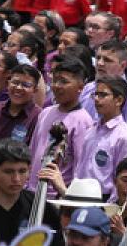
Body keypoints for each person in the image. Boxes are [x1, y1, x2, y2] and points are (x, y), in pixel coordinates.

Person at [29, 55, 93, 196]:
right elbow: (33, 151)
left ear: (80, 87)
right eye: (55, 80)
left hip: (56, 195)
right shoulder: (46, 112)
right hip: (33, 191)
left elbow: (79, 166)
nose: (57, 86)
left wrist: (68, 194)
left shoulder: (82, 120)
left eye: (64, 81)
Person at [72, 75, 127, 199]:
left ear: (119, 100)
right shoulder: (91, 130)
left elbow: (124, 178)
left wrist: (110, 205)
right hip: (79, 195)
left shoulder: (124, 136)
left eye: (103, 95)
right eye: (95, 94)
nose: (97, 99)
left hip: (104, 199)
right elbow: (80, 168)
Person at [0, 63, 40, 180]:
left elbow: (35, 154)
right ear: (8, 83)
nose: (18, 88)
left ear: (35, 90)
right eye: (15, 82)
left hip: (19, 182)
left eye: (26, 85)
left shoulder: (38, 117)